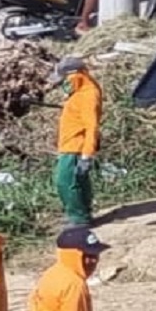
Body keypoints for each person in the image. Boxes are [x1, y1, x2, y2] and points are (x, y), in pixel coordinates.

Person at [52, 54, 102, 227]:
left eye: (65, 80)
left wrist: (87, 155)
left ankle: (79, 218)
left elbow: (92, 126)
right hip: (69, 144)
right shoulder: (79, 92)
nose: (63, 85)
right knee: (78, 182)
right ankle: (82, 214)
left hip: (76, 147)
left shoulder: (88, 95)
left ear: (76, 74)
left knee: (66, 182)